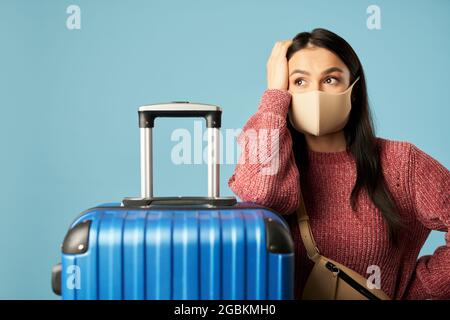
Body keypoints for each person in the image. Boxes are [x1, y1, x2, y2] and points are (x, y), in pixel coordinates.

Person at [228, 28, 450, 300]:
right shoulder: (277, 164)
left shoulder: (401, 163)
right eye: (299, 82)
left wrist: (420, 288)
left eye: (330, 79)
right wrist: (273, 95)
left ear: (353, 90)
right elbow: (260, 193)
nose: (315, 93)